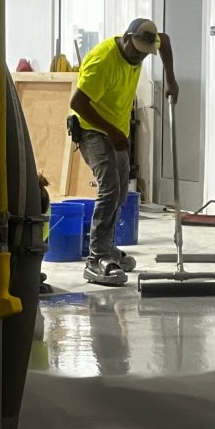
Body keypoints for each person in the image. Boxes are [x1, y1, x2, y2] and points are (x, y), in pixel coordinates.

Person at [70, 18, 178, 285]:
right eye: (135, 51)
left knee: (119, 195)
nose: (138, 58)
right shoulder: (101, 61)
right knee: (108, 189)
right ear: (127, 38)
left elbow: (165, 41)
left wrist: (171, 79)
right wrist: (114, 131)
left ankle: (107, 249)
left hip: (116, 130)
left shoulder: (146, 44)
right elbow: (78, 103)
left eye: (144, 54)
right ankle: (96, 260)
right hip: (92, 128)